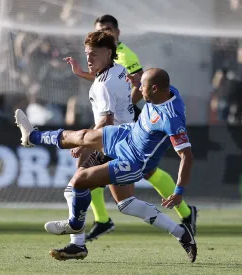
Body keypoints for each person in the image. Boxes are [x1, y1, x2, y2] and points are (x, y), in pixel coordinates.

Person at [14, 65, 197, 262]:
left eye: (142, 87)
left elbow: (187, 156)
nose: (139, 91)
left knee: (80, 183)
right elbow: (150, 81)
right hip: (125, 135)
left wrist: (178, 192)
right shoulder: (167, 90)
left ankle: (76, 226)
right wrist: (138, 80)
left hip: (133, 161)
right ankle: (32, 136)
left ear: (154, 89)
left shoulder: (171, 118)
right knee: (83, 137)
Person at [64, 14, 197, 243]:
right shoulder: (103, 56)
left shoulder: (126, 55)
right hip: (122, 124)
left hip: (133, 123)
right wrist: (83, 75)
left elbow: (138, 84)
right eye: (100, 30)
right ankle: (100, 221)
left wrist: (124, 106)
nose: (104, 34)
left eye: (107, 30)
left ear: (117, 33)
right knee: (91, 176)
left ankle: (183, 215)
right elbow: (108, 81)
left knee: (136, 174)